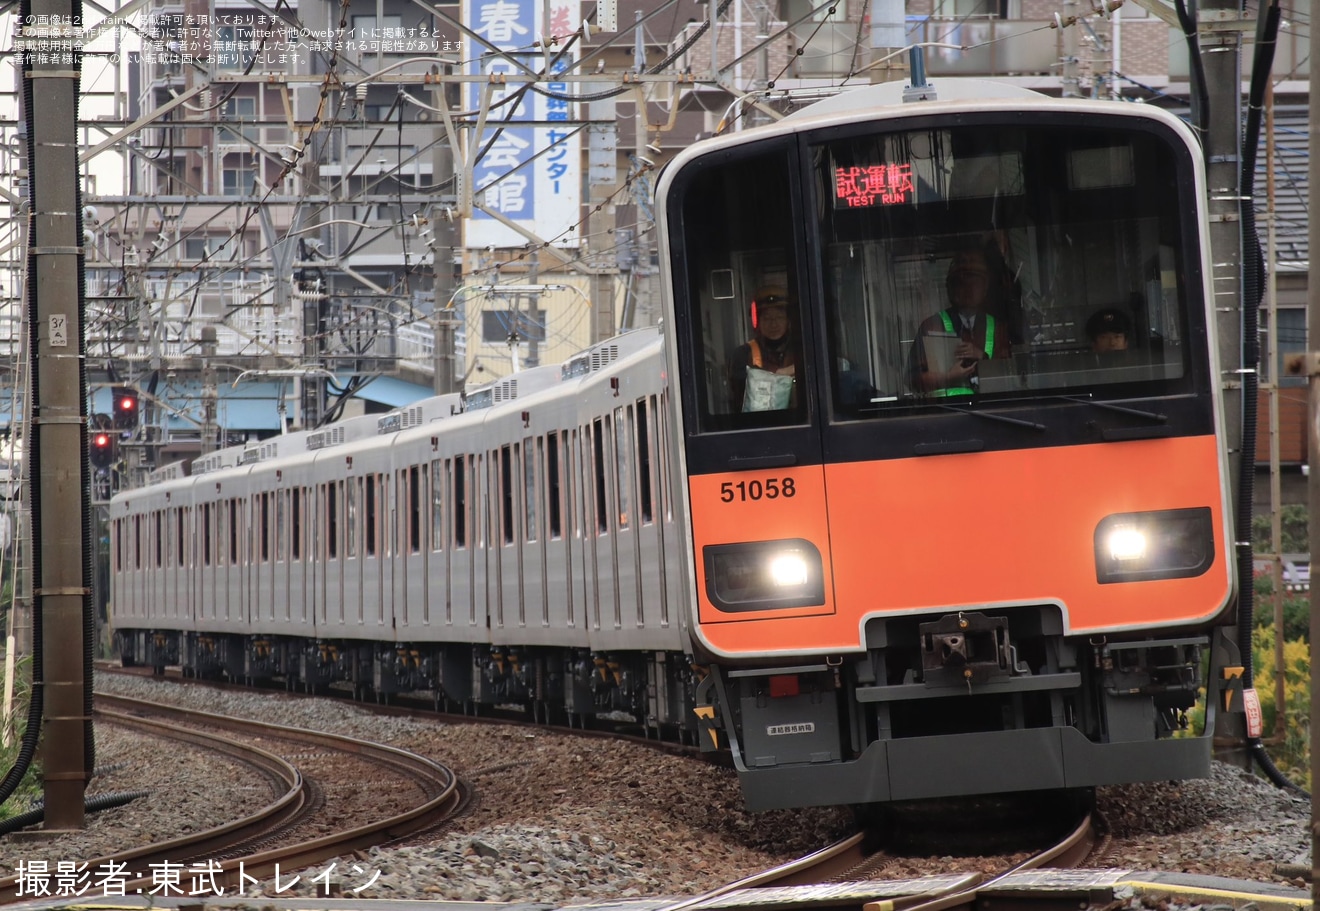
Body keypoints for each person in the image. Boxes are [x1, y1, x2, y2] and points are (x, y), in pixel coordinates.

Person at [909, 244, 1011, 396]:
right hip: (945, 416)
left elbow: (1010, 378)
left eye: (974, 281)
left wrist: (982, 357)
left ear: (985, 288)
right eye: (961, 282)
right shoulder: (931, 327)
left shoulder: (998, 329)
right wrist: (948, 378)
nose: (968, 287)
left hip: (991, 415)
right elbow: (914, 381)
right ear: (950, 288)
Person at [729, 287, 798, 412]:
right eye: (767, 318)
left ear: (788, 320)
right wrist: (781, 374)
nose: (773, 324)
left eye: (779, 317)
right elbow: (740, 395)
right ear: (757, 322)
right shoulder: (743, 354)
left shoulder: (802, 350)